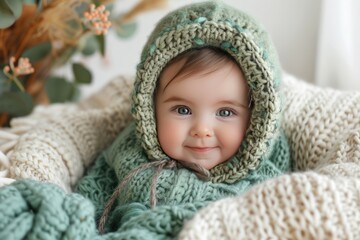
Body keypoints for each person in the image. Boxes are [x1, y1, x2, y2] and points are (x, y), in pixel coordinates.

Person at [0, 1, 291, 239]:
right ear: (150, 109)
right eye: (182, 110)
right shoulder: (128, 155)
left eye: (225, 113)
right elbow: (91, 202)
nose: (202, 130)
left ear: (257, 120)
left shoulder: (264, 181)